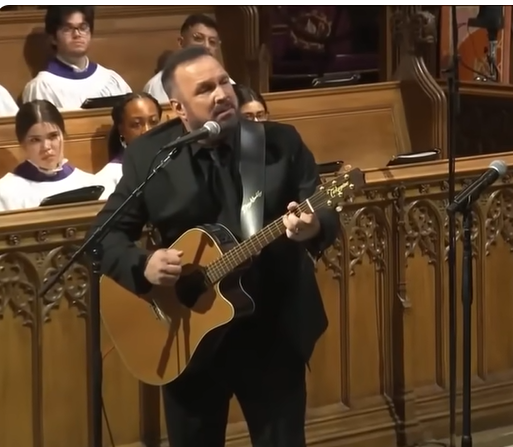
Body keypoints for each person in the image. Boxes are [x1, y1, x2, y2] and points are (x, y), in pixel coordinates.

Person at [90, 45, 338, 447]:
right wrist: (144, 265)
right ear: (179, 108)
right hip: (186, 334)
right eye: (205, 89)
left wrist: (311, 228)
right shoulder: (150, 156)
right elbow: (104, 239)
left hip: (271, 330)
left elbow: (325, 213)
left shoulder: (278, 143)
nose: (222, 94)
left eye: (225, 82)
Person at [21, 6, 132, 110]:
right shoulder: (42, 87)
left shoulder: (110, 80)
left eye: (83, 27)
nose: (77, 34)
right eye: (68, 28)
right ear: (53, 38)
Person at [0, 100, 101, 211]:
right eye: (35, 140)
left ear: (63, 135)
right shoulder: (5, 192)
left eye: (53, 136)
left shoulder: (90, 184)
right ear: (23, 144)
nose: (46, 147)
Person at [144, 14, 235, 103]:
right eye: (198, 38)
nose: (206, 46)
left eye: (212, 42)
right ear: (181, 42)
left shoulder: (227, 83)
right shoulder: (157, 85)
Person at [94, 92, 163, 197]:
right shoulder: (110, 175)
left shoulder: (174, 162)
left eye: (153, 122)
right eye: (136, 124)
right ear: (121, 130)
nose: (147, 131)